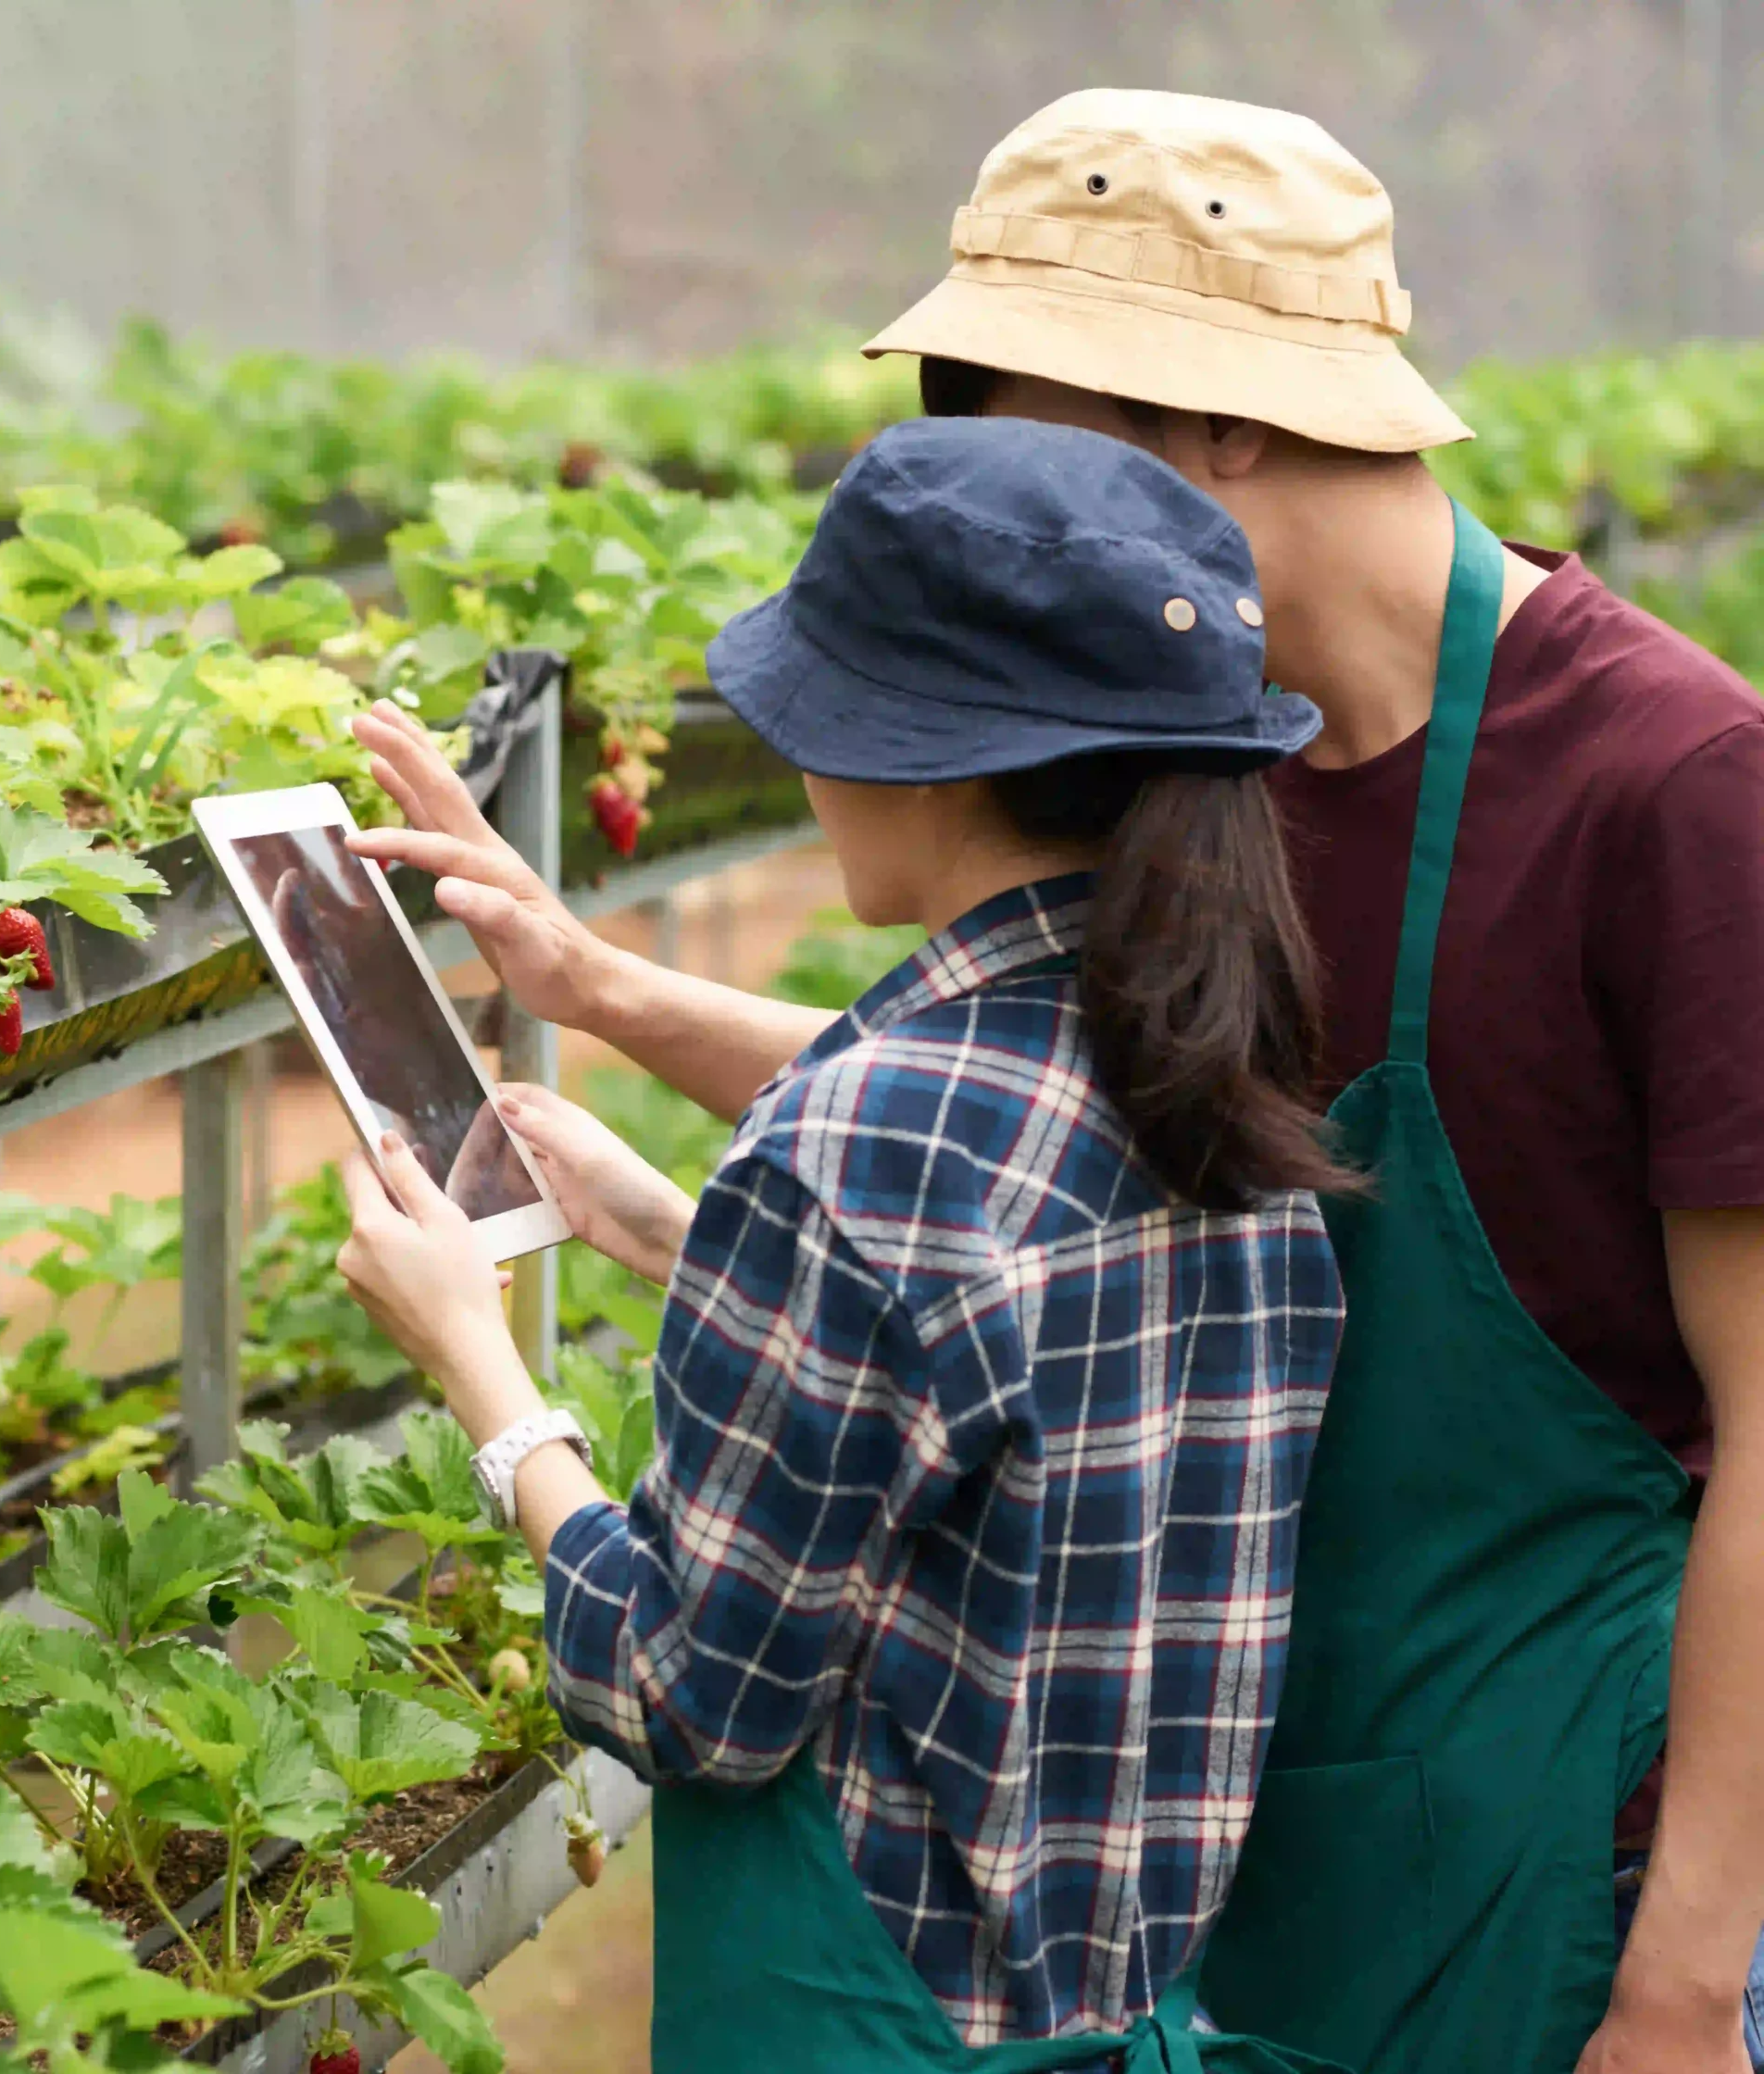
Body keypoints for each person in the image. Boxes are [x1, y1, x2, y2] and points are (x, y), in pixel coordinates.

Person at [858, 89, 1764, 2074]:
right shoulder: (1201, 758)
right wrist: (596, 996)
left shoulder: (1671, 786)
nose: (1009, 538)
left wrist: (1688, 1982)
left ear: (1222, 424)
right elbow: (1068, 1142)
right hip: (1278, 1831)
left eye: (1031, 457)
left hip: (1591, 1851)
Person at [333, 416, 1349, 2072]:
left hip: (876, 2020)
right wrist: (678, 1225)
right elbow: (989, 1390)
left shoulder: (864, 1142)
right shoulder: (1219, 1077)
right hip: (1128, 2005)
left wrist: (482, 1370)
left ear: (931, 755)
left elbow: (683, 1694)